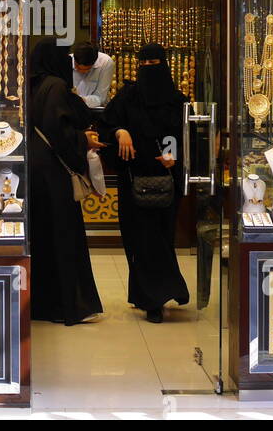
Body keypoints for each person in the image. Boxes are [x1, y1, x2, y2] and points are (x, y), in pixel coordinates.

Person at [103, 43, 190, 323]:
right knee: (138, 241)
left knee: (161, 239)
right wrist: (120, 131)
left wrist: (174, 155)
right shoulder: (127, 97)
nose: (150, 69)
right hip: (133, 180)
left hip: (166, 182)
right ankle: (149, 296)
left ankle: (158, 296)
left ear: (164, 65)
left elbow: (187, 136)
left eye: (155, 63)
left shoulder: (177, 100)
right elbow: (106, 123)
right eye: (145, 64)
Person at [27, 40, 103, 325]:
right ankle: (65, 305)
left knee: (42, 238)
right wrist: (84, 140)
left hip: (33, 170)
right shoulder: (56, 86)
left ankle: (40, 303)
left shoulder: (30, 84)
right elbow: (59, 131)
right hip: (52, 173)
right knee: (62, 236)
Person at [71, 41, 113, 107]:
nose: (82, 72)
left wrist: (80, 100)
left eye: (87, 69)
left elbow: (100, 97)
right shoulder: (67, 60)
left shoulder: (105, 62)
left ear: (94, 62)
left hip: (96, 110)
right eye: (78, 68)